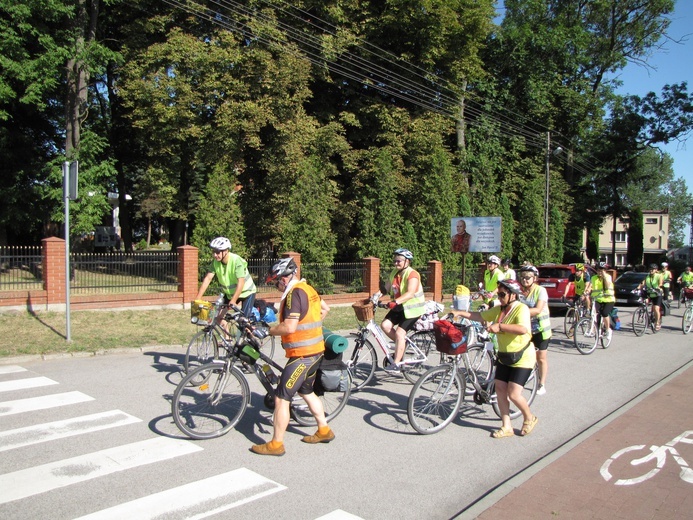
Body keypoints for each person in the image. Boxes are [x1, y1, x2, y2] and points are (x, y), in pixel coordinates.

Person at [251, 257, 333, 456]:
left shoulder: (293, 295)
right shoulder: (308, 289)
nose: (277, 285)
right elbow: (325, 309)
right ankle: (324, 430)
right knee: (306, 391)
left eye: (276, 281)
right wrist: (310, 331)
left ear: (284, 279)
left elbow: (289, 326)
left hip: (302, 356)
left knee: (281, 397)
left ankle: (276, 444)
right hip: (315, 351)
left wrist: (268, 331)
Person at [451, 279, 538, 438]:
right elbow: (479, 315)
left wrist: (500, 326)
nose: (499, 296)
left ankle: (529, 417)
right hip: (504, 356)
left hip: (522, 357)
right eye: (498, 293)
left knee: (514, 394)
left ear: (513, 295)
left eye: (502, 294)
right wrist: (460, 313)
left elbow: (523, 329)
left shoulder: (521, 309)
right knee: (500, 390)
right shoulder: (500, 310)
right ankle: (507, 427)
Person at [380, 248, 426, 372]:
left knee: (400, 333)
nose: (396, 264)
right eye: (394, 261)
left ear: (407, 261)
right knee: (385, 325)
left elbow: (411, 293)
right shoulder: (394, 273)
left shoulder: (412, 274)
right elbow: (386, 288)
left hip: (413, 309)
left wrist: (395, 302)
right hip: (400, 307)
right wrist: (374, 297)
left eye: (399, 261)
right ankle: (401, 345)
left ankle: (396, 364)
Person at [195, 237, 257, 318]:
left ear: (226, 251)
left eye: (217, 252)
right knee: (216, 317)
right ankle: (225, 329)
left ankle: (250, 329)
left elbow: (241, 282)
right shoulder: (215, 263)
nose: (214, 255)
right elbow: (208, 279)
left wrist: (234, 301)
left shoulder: (236, 261)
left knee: (244, 321)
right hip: (229, 294)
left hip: (247, 293)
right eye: (213, 252)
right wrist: (198, 298)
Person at [518, 265, 551, 396]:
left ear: (534, 278)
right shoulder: (520, 292)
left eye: (528, 277)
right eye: (523, 277)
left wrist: (519, 313)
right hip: (526, 329)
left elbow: (537, 309)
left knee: (541, 358)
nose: (525, 280)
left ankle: (541, 383)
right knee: (523, 355)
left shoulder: (540, 290)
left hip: (541, 329)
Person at [592, 262, 616, 337]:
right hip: (598, 299)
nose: (599, 272)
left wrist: (604, 276)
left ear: (605, 271)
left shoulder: (608, 277)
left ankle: (608, 329)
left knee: (604, 313)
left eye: (602, 270)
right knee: (592, 312)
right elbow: (590, 286)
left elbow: (607, 285)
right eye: (598, 270)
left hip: (609, 299)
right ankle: (593, 329)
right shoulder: (594, 278)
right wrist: (586, 292)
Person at [638, 263, 664, 330]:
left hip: (657, 294)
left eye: (653, 269)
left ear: (656, 270)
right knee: (643, 303)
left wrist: (658, 287)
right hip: (649, 293)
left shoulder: (659, 275)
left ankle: (657, 322)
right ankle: (642, 315)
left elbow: (660, 283)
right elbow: (642, 283)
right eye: (650, 269)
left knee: (656, 308)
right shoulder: (647, 276)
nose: (651, 270)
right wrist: (638, 288)